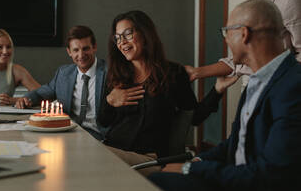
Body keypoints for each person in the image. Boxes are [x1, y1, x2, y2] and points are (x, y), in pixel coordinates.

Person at [149, 0, 301, 191]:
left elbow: (271, 176)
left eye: (227, 32)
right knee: (158, 178)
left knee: (158, 184)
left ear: (244, 34)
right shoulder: (257, 80)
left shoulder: (293, 85)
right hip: (237, 180)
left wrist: (190, 168)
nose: (226, 40)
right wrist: (197, 159)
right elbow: (236, 143)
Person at [97, 10, 237, 176]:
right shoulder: (116, 76)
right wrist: (110, 101)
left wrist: (217, 90)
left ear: (145, 34)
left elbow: (194, 116)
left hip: (148, 158)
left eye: (128, 34)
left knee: (96, 157)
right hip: (114, 148)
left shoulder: (173, 73)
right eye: (118, 37)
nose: (122, 42)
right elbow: (103, 121)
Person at [186, 0, 301, 81]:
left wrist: (281, 86)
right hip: (251, 90)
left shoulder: (290, 0)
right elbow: (239, 60)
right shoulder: (254, 4)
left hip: (276, 93)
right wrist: (197, 72)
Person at [15, 25, 107, 140]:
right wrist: (27, 98)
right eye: (76, 50)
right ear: (69, 52)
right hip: (69, 133)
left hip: (99, 137)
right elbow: (42, 93)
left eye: (85, 48)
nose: (81, 55)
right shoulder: (64, 73)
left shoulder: (110, 73)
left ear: (94, 47)